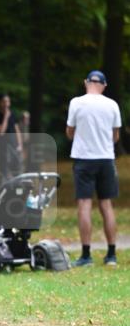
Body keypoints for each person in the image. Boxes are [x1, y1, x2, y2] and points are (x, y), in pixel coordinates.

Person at [66, 70, 122, 267]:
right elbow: (115, 136)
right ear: (104, 85)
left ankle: (86, 255)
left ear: (86, 82)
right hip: (106, 159)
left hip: (84, 159)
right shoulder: (112, 105)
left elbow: (70, 132)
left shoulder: (76, 103)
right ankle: (112, 254)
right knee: (106, 205)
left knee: (85, 204)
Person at [0, 94, 23, 181]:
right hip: (2, 147)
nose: (7, 104)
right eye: (4, 101)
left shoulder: (13, 114)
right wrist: (6, 117)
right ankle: (4, 186)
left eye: (8, 101)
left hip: (14, 145)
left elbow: (17, 130)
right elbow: (1, 132)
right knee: (4, 168)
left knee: (17, 167)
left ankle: (17, 185)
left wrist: (20, 145)